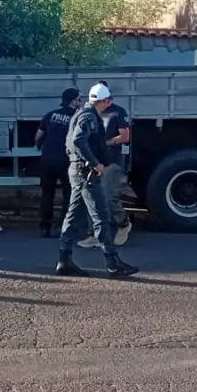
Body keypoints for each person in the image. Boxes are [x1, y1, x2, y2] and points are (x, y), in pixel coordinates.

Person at [55, 83, 139, 279]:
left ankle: (64, 260)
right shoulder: (88, 116)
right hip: (86, 173)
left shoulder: (82, 113)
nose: (108, 104)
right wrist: (94, 163)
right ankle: (112, 263)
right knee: (101, 216)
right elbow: (78, 140)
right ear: (102, 101)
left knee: (72, 216)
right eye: (107, 101)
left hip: (78, 171)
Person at [78, 81, 132, 248]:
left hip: (111, 162)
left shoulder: (118, 112)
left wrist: (105, 144)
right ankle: (95, 234)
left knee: (109, 197)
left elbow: (125, 136)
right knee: (91, 198)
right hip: (94, 161)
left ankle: (123, 225)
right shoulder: (91, 113)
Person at [35, 86, 81, 238]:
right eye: (78, 99)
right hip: (67, 162)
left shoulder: (50, 115)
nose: (80, 102)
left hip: (48, 160)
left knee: (47, 194)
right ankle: (63, 226)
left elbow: (39, 136)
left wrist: (39, 147)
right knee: (69, 195)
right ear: (71, 101)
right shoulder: (78, 118)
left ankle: (44, 227)